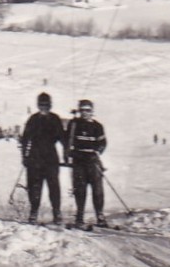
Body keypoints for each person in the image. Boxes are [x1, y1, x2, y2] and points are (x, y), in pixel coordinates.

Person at [19, 91, 66, 225]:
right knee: (34, 187)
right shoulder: (33, 119)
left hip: (51, 158)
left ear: (50, 105)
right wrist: (25, 156)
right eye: (41, 105)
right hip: (35, 158)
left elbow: (62, 138)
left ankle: (56, 212)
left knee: (54, 187)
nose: (44, 108)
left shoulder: (55, 119)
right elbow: (25, 139)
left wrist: (67, 155)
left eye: (46, 105)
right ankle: (34, 212)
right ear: (38, 105)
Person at [67, 98, 108, 229]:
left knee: (97, 190)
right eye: (82, 110)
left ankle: (100, 216)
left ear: (92, 111)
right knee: (80, 190)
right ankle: (80, 216)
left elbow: (103, 143)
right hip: (79, 160)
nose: (85, 113)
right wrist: (70, 153)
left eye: (88, 110)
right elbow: (68, 141)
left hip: (92, 160)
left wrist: (97, 152)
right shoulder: (74, 125)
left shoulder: (97, 126)